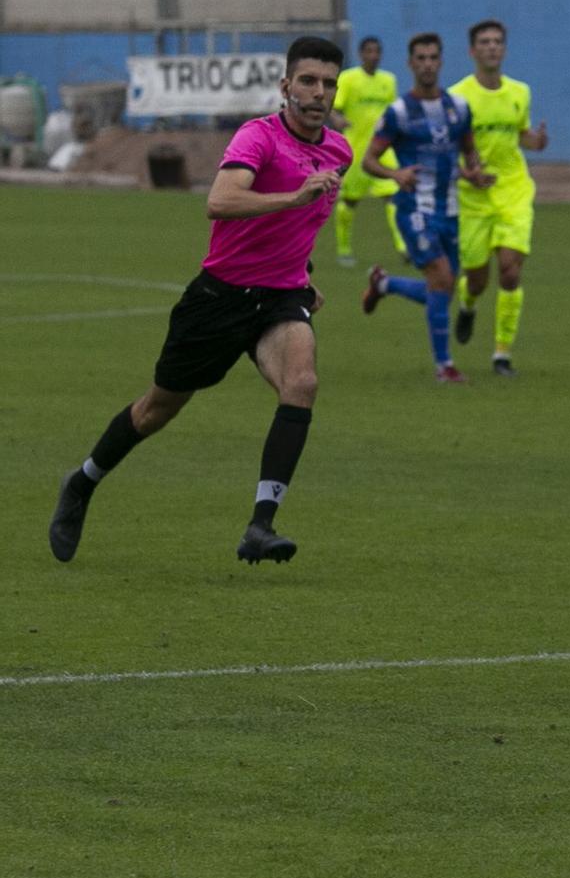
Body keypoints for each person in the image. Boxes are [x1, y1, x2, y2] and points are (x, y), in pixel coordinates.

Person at [48, 37, 350, 567]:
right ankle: (83, 480)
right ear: (286, 86)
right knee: (155, 410)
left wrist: (303, 272)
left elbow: (305, 226)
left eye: (328, 83)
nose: (318, 92)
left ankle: (261, 524)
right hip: (219, 298)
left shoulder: (338, 152)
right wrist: (294, 194)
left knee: (301, 383)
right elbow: (220, 201)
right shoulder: (258, 137)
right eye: (308, 80)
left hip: (279, 299)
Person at [359, 33, 489, 383]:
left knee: (442, 289)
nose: (427, 64)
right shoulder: (398, 112)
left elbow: (467, 150)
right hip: (415, 207)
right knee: (442, 278)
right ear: (410, 64)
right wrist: (394, 173)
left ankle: (384, 285)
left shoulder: (459, 109)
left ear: (441, 61)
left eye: (433, 57)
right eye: (421, 58)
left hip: (450, 209)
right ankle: (444, 365)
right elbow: (368, 161)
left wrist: (474, 173)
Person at [450, 20, 548, 376]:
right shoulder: (457, 97)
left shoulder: (520, 92)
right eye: (484, 42)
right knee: (477, 278)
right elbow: (446, 150)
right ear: (472, 51)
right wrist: (466, 173)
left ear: (504, 49)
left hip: (514, 191)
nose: (492, 47)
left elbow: (521, 134)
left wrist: (535, 142)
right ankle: (468, 303)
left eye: (497, 42)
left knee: (509, 271)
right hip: (474, 198)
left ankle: (501, 354)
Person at [329, 36, 404, 268]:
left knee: (393, 196)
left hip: (382, 151)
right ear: (361, 54)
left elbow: (392, 113)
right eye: (369, 51)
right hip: (355, 151)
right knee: (349, 202)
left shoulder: (388, 81)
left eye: (377, 51)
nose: (374, 55)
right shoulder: (349, 79)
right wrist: (338, 120)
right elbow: (333, 108)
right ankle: (343, 249)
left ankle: (404, 247)